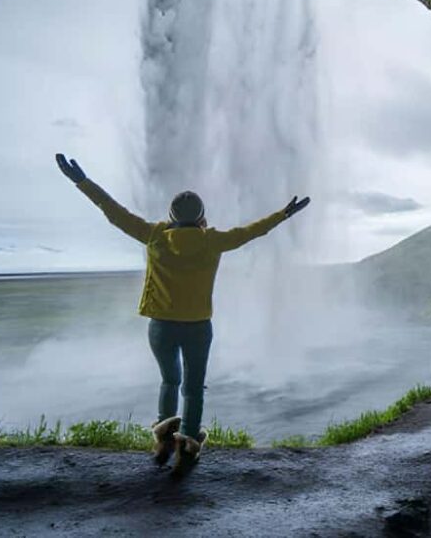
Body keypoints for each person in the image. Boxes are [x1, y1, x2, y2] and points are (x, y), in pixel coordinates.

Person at [55, 153, 309, 476]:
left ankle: (163, 442)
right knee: (193, 386)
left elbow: (113, 211)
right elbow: (252, 231)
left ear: (171, 216)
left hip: (160, 327)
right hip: (198, 328)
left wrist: (81, 181)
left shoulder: (154, 235)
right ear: (202, 218)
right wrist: (284, 214)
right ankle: (187, 451)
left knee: (169, 380)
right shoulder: (214, 241)